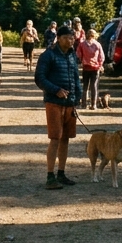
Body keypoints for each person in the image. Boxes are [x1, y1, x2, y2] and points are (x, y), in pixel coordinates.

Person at [34, 25, 81, 189]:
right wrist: (56, 91)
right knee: (55, 138)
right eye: (68, 37)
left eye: (72, 38)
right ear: (59, 38)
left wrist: (78, 97)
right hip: (54, 103)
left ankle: (61, 173)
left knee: (66, 139)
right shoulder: (48, 56)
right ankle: (50, 176)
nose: (71, 41)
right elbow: (39, 78)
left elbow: (76, 77)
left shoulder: (72, 55)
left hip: (70, 104)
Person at [77, 28, 106, 110]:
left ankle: (84, 104)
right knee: (94, 86)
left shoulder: (82, 44)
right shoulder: (97, 44)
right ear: (95, 35)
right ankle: (93, 105)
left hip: (86, 67)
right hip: (95, 68)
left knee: (85, 86)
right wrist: (100, 65)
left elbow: (78, 53)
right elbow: (102, 57)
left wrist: (83, 59)